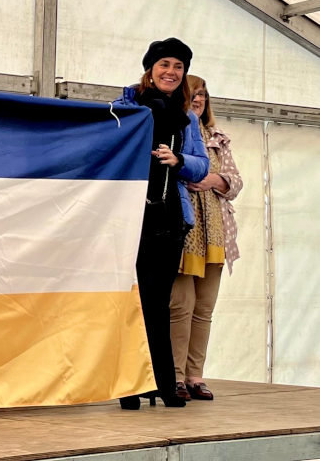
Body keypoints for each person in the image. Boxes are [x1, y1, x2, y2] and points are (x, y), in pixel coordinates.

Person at [115, 38, 209, 409]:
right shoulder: (126, 106)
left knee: (159, 301)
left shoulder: (187, 116)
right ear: (150, 69)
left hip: (169, 215)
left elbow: (203, 165)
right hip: (128, 216)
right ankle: (129, 384)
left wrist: (179, 158)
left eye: (178, 67)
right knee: (131, 300)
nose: (171, 72)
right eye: (164, 64)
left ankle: (162, 382)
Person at [169, 76, 243, 401]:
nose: (197, 100)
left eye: (202, 95)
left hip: (216, 234)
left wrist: (213, 178)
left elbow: (237, 183)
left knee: (204, 309)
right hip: (184, 233)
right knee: (179, 307)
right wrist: (193, 173)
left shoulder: (218, 138)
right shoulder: (172, 132)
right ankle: (173, 377)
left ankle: (195, 376)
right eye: (191, 94)